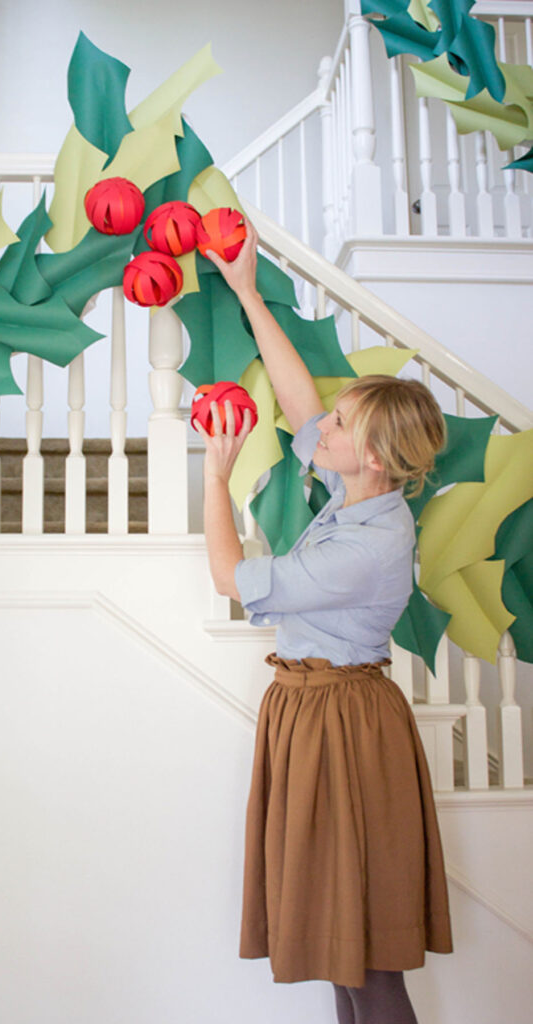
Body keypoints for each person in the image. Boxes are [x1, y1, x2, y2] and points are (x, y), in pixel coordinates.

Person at [197, 222, 453, 1024]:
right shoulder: (361, 498)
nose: (320, 431)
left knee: (367, 963)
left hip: (343, 725)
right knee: (340, 955)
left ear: (372, 456)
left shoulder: (367, 548)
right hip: (317, 715)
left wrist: (215, 471)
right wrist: (244, 291)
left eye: (341, 429)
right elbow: (301, 398)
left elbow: (229, 578)